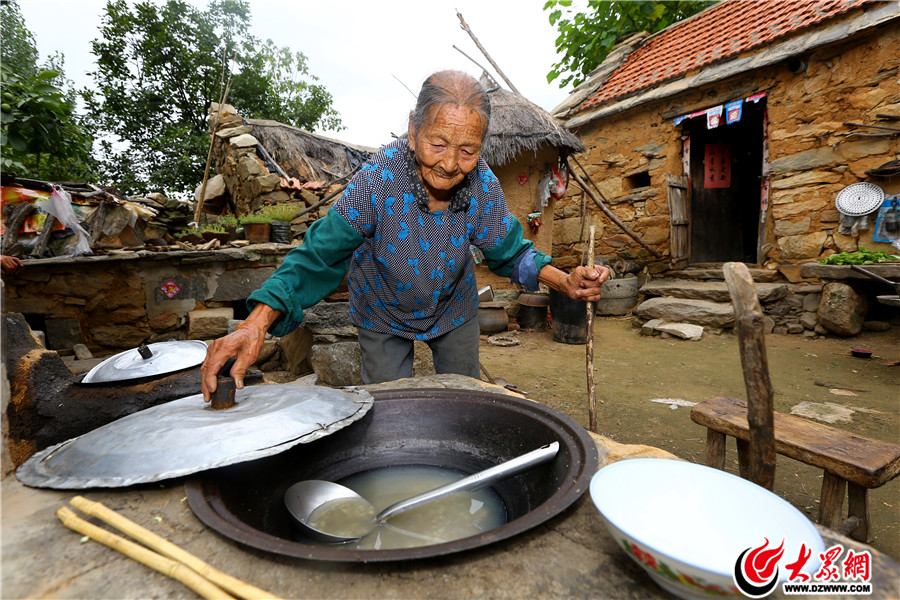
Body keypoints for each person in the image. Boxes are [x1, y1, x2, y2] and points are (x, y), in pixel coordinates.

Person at [201, 70, 609, 400]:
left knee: (465, 402)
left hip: (452, 309)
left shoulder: (483, 185)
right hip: (382, 310)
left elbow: (511, 252)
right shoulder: (377, 181)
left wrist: (563, 281)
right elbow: (318, 256)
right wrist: (255, 323)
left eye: (467, 150)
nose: (450, 164)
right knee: (386, 407)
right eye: (437, 143)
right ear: (413, 131)